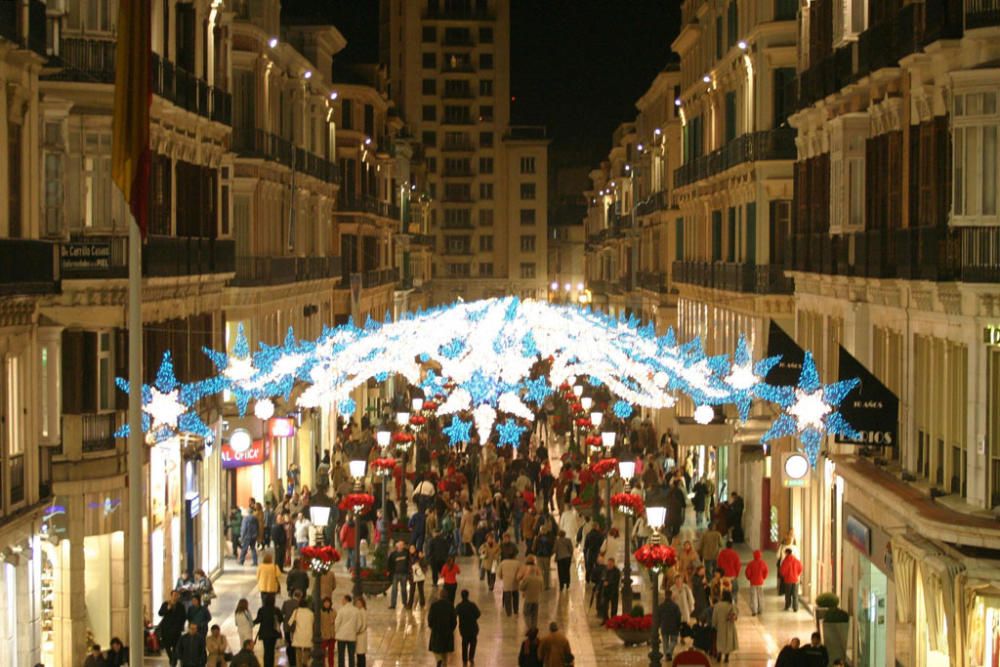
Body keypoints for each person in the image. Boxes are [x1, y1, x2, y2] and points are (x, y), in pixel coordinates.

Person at [428, 589, 457, 667]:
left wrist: (432, 627)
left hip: (436, 630)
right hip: (447, 631)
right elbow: (454, 620)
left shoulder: (434, 606)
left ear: (440, 596)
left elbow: (430, 619)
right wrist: (451, 629)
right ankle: (444, 664)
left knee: (435, 649)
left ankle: (438, 659)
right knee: (445, 651)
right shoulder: (450, 606)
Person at [158, 590, 188, 667]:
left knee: (175, 647)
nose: (175, 597)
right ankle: (171, 659)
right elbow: (160, 613)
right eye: (174, 595)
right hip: (166, 630)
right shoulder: (166, 604)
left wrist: (180, 626)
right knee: (167, 646)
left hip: (176, 631)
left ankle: (173, 661)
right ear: (171, 596)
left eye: (177, 595)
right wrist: (167, 608)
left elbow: (183, 617)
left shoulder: (181, 606)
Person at [252, 595, 283, 667]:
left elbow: (258, 620)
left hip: (264, 633)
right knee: (272, 650)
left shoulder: (262, 610)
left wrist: (252, 622)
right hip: (273, 633)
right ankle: (271, 665)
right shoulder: (276, 610)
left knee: (266, 650)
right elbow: (281, 619)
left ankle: (266, 665)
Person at [334, 594, 362, 667]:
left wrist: (337, 631)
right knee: (351, 656)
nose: (341, 601)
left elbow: (337, 622)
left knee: (341, 655)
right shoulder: (356, 610)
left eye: (343, 600)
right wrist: (355, 631)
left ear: (346, 600)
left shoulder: (341, 610)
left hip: (341, 636)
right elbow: (359, 624)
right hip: (352, 636)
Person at [455, 589, 481, 667]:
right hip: (473, 627)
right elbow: (478, 614)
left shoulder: (459, 606)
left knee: (464, 643)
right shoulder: (472, 605)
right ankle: (471, 657)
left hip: (463, 628)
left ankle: (464, 659)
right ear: (468, 595)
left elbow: (455, 614)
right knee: (473, 643)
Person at [711, 591, 739, 663]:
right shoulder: (732, 605)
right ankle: (727, 657)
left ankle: (719, 655)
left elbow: (714, 617)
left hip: (720, 627)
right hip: (730, 626)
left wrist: (714, 625)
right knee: (728, 642)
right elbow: (736, 615)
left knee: (720, 641)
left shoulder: (717, 605)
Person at [518, 556, 544, 629]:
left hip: (528, 598)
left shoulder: (525, 571)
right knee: (535, 614)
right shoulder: (539, 576)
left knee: (526, 613)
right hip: (536, 598)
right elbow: (542, 587)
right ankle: (534, 627)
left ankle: (529, 627)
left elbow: (521, 587)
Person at [289, 595, 315, 666]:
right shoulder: (311, 613)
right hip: (308, 634)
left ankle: (299, 664)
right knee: (307, 649)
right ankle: (305, 662)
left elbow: (290, 622)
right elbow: (313, 623)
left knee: (298, 651)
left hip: (298, 634)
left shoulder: (296, 612)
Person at [281, 591, 304, 667]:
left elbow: (282, 613)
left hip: (287, 627)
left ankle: (290, 660)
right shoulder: (299, 604)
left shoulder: (286, 602)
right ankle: (295, 661)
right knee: (295, 645)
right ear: (300, 597)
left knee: (288, 643)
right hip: (296, 628)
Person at [658, 589, 683, 656]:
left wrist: (659, 625)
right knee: (674, 641)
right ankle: (669, 652)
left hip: (664, 626)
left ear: (665, 595)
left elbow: (658, 616)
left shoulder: (661, 606)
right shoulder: (675, 606)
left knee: (665, 642)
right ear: (671, 596)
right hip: (673, 627)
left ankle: (667, 655)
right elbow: (679, 616)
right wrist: (678, 625)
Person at [387, 540, 411, 609]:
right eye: (399, 545)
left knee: (404, 589)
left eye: (402, 545)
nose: (400, 546)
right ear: (397, 546)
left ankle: (405, 603)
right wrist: (389, 571)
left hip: (404, 574)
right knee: (394, 589)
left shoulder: (406, 553)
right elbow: (390, 563)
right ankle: (393, 604)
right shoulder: (393, 554)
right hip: (395, 574)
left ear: (403, 546)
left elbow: (409, 561)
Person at [744, 549, 769, 616]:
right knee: (760, 596)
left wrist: (749, 578)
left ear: (754, 555)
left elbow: (747, 572)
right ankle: (760, 610)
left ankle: (754, 611)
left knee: (753, 596)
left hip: (753, 582)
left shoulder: (751, 564)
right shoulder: (763, 563)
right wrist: (763, 578)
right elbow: (766, 571)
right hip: (760, 582)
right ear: (760, 555)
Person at [500, 551, 522, 616]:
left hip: (506, 584)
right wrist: (518, 579)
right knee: (515, 597)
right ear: (514, 556)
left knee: (507, 599)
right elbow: (521, 573)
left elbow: (499, 574)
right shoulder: (518, 563)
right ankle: (516, 611)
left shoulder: (503, 563)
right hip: (515, 583)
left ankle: (508, 612)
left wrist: (503, 578)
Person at [320, 597, 337, 667]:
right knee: (323, 653)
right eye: (325, 603)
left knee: (331, 653)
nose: (327, 604)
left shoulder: (333, 611)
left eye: (328, 603)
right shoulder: (320, 612)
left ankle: (331, 665)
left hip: (332, 635)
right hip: (324, 635)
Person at [354, 596, 368, 667]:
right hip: (359, 635)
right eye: (357, 603)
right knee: (359, 654)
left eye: (359, 603)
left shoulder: (362, 612)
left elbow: (364, 624)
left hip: (361, 635)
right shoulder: (358, 611)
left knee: (361, 654)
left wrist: (357, 631)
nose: (358, 605)